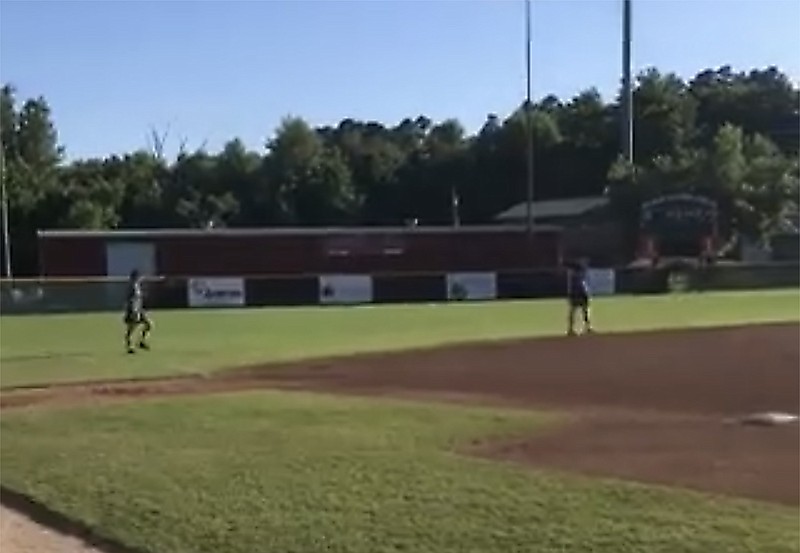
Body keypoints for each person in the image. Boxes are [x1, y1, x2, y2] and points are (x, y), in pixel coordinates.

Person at [123, 269, 153, 354]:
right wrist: (133, 310)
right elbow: (130, 299)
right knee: (131, 329)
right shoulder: (131, 286)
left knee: (149, 324)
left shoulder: (137, 285)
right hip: (133, 309)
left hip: (138, 309)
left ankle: (141, 342)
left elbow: (138, 298)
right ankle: (129, 347)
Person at [566, 260, 593, 336]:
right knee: (582, 310)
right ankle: (586, 327)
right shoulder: (577, 275)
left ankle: (573, 328)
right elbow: (580, 285)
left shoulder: (573, 275)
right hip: (579, 292)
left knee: (577, 310)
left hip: (578, 293)